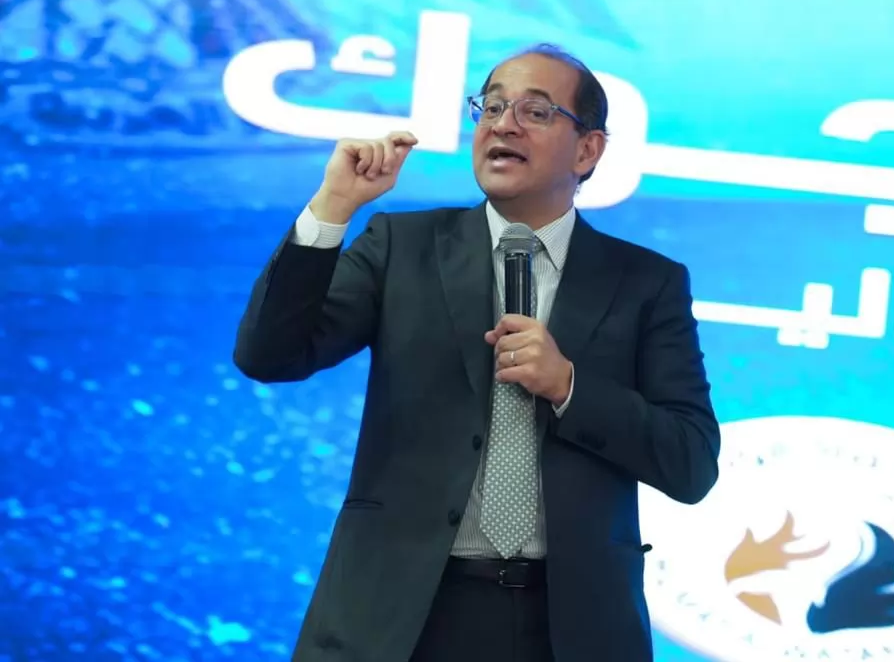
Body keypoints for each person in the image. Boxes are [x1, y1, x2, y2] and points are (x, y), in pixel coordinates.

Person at [232, 44, 721, 662]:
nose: (503, 125)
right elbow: (269, 355)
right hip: (398, 617)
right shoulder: (401, 246)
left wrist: (569, 387)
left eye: (535, 112)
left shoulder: (646, 283)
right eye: (491, 107)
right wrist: (333, 207)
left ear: (588, 150)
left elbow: (690, 462)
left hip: (569, 628)